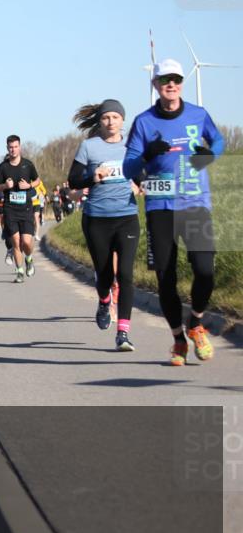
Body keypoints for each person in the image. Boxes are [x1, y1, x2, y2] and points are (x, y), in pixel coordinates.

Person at [123, 59, 224, 366]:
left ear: (182, 82)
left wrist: (208, 155)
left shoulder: (198, 114)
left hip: (195, 202)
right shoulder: (143, 122)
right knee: (167, 278)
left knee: (205, 269)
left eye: (176, 79)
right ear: (155, 85)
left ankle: (195, 322)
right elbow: (129, 166)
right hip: (160, 204)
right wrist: (146, 156)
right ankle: (179, 339)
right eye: (165, 79)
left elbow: (218, 140)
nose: (171, 84)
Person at [67, 99, 140, 351]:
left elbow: (142, 174)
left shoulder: (132, 145)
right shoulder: (89, 147)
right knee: (105, 275)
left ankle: (123, 333)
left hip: (127, 217)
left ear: (122, 120)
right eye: (106, 118)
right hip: (97, 219)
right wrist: (92, 177)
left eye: (115, 118)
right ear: (100, 121)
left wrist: (140, 184)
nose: (111, 122)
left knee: (126, 275)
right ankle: (103, 299)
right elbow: (73, 180)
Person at [0, 135, 41, 283]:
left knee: (26, 242)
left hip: (26, 209)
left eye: (15, 147)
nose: (13, 149)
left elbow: (38, 180)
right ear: (7, 148)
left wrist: (29, 186)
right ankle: (19, 271)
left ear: (20, 147)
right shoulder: (3, 167)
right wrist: (4, 186)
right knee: (15, 241)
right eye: (10, 147)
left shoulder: (28, 165)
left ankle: (29, 258)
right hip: (10, 209)